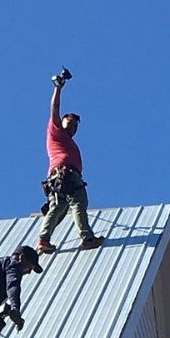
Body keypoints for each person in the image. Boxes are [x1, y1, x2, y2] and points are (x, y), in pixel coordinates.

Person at [37, 73, 104, 255]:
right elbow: (55, 107)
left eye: (76, 126)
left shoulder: (67, 141)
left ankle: (44, 239)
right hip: (65, 174)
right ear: (62, 121)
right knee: (78, 201)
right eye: (70, 123)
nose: (73, 127)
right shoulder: (56, 131)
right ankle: (87, 237)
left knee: (59, 206)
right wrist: (58, 88)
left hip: (63, 176)